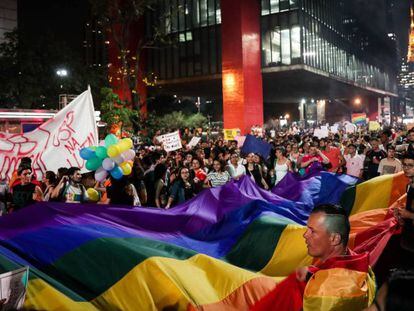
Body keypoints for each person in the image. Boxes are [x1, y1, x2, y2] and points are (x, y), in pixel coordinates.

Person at [252, 204, 375, 310]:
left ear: (334, 238)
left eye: (313, 231)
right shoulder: (364, 270)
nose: (305, 235)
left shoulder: (311, 286)